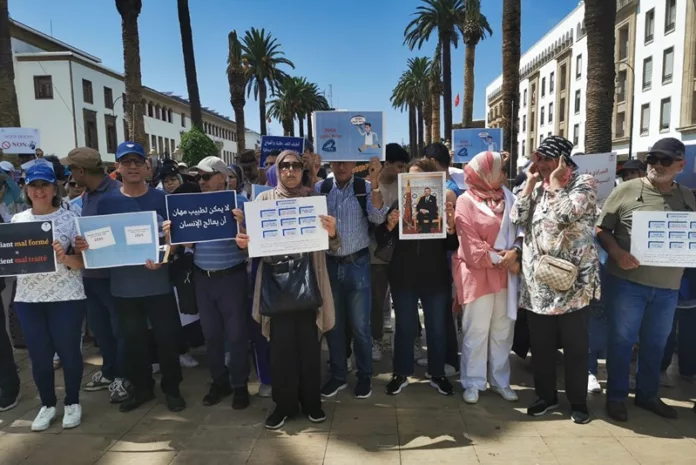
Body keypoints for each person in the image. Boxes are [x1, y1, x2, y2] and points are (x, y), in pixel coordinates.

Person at [236, 150, 339, 429]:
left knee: (309, 347)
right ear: (277, 171)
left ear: (302, 170)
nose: (290, 170)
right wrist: (244, 242)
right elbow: (253, 245)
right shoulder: (263, 201)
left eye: (295, 165)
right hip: (276, 287)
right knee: (280, 351)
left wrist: (332, 233)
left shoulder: (314, 201)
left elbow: (333, 245)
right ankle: (284, 406)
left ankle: (312, 404)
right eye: (285, 166)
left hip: (309, 283)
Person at [598, 137, 696, 422]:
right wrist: (616, 253)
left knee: (656, 343)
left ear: (681, 165)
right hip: (628, 284)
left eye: (666, 160)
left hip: (668, 288)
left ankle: (647, 395)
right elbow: (602, 230)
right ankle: (616, 397)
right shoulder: (626, 190)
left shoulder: (687, 197)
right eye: (652, 158)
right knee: (622, 341)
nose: (657, 165)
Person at [84, 141, 185, 413]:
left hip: (158, 284)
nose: (132, 167)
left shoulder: (161, 199)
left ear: (146, 167)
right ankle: (142, 389)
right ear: (116, 167)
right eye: (126, 162)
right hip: (123, 287)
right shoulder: (106, 203)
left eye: (137, 162)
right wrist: (85, 245)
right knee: (133, 342)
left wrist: (168, 250)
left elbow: (177, 241)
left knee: (167, 340)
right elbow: (98, 241)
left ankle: (172, 388)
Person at [510, 136, 599, 425]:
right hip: (539, 284)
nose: (538, 164)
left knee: (575, 346)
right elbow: (516, 216)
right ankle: (545, 396)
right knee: (542, 346)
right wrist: (531, 183)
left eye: (544, 159)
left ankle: (577, 402)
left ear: (561, 159)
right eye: (536, 159)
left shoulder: (583, 183)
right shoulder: (536, 187)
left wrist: (558, 184)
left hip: (574, 284)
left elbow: (566, 215)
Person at [12, 163, 86, 431]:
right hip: (28, 299)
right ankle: (47, 404)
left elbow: (83, 263)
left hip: (67, 296)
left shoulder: (70, 219)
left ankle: (72, 402)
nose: (39, 190)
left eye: (44, 185)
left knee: (69, 353)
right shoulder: (16, 221)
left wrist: (64, 256)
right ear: (26, 189)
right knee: (40, 356)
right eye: (34, 185)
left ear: (54, 188)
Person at [378, 158, 458, 396]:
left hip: (435, 277)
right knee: (404, 328)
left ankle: (437, 374)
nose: (413, 182)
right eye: (410, 177)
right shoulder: (397, 204)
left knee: (436, 328)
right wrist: (389, 226)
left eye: (419, 177)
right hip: (404, 277)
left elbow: (451, 244)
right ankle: (401, 373)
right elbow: (382, 239)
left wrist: (451, 226)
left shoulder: (443, 205)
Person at [60, 148, 128, 404]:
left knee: (119, 329)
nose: (70, 174)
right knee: (102, 331)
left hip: (113, 277)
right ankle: (109, 371)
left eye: (71, 169)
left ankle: (122, 375)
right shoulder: (87, 195)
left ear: (80, 171)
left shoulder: (116, 193)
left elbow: (120, 237)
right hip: (89, 274)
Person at [317, 158, 388, 399]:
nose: (341, 167)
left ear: (353, 164)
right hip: (329, 264)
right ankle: (338, 375)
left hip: (357, 264)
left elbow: (378, 217)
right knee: (334, 326)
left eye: (345, 162)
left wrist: (376, 180)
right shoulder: (321, 190)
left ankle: (364, 375)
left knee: (360, 327)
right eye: (336, 163)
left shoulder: (365, 188)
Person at [454, 151, 521, 404]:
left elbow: (521, 230)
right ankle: (472, 381)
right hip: (478, 275)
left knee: (503, 329)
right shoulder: (465, 201)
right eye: (500, 170)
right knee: (477, 329)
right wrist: (504, 260)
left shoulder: (509, 198)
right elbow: (470, 246)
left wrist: (515, 254)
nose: (504, 175)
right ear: (487, 173)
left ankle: (500, 381)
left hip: (507, 275)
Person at [186, 156, 251, 410]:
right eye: (197, 177)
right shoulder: (192, 205)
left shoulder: (241, 203)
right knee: (211, 336)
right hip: (203, 278)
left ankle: (239, 385)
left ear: (222, 178)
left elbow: (251, 246)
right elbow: (186, 245)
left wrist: (242, 224)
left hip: (231, 277)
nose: (200, 182)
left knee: (236, 335)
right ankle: (219, 381)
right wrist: (174, 234)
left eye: (205, 176)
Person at [369, 143, 409, 361]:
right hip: (376, 255)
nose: (402, 171)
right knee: (376, 302)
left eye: (405, 167)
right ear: (386, 164)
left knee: (403, 300)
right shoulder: (369, 187)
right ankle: (375, 340)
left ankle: (406, 341)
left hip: (402, 255)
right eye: (399, 166)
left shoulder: (405, 186)